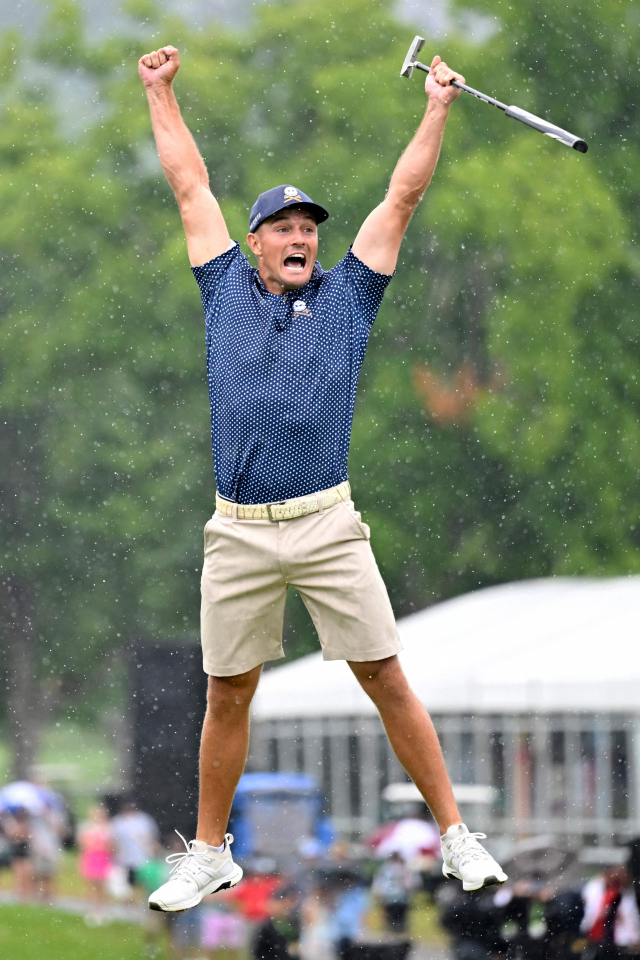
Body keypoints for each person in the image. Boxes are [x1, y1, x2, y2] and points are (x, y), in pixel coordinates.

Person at [137, 43, 507, 914]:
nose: (302, 236)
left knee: (383, 675)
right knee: (228, 690)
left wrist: (438, 109)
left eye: (310, 227)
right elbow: (191, 183)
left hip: (326, 522)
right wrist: (159, 92)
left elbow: (403, 196)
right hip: (238, 527)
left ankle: (455, 833)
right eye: (285, 227)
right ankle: (212, 853)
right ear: (256, 243)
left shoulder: (349, 296)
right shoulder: (224, 284)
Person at [110, 799, 160, 891]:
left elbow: (152, 837)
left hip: (143, 857)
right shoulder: (118, 821)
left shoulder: (144, 819)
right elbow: (113, 841)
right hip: (124, 858)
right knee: (127, 885)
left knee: (143, 882)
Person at [77, 804, 114, 919]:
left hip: (103, 858)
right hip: (91, 857)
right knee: (91, 886)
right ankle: (90, 909)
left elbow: (111, 845)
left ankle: (101, 910)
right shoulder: (86, 827)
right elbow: (82, 844)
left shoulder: (107, 828)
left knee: (102, 886)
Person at [372, 853, 418, 935]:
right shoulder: (404, 869)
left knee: (390, 919)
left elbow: (379, 883)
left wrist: (380, 894)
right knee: (401, 920)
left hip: (388, 897)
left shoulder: (384, 868)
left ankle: (391, 934)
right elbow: (411, 884)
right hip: (402, 897)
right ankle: (399, 935)